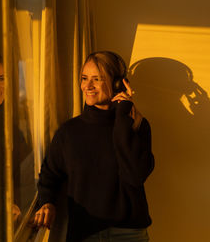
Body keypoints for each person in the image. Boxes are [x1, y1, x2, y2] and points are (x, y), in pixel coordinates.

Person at [33, 51, 154, 241]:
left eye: (97, 79)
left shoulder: (136, 125)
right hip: (84, 233)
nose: (87, 86)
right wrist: (46, 203)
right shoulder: (69, 132)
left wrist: (123, 118)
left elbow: (135, 175)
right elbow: (49, 176)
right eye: (84, 78)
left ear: (118, 84)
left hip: (129, 233)